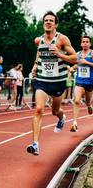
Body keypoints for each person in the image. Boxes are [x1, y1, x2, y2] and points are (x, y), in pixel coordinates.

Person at [26, 11, 77, 155]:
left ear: (55, 24)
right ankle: (35, 144)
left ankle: (61, 118)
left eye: (51, 20)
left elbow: (75, 58)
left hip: (58, 81)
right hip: (43, 80)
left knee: (55, 111)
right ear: (43, 23)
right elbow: (39, 52)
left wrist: (60, 54)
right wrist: (36, 65)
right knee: (39, 110)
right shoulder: (38, 40)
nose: (48, 22)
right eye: (46, 20)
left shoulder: (62, 39)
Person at [70, 35, 93, 132]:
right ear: (81, 44)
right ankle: (74, 123)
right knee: (76, 100)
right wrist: (72, 68)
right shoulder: (78, 54)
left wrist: (87, 63)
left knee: (88, 101)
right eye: (83, 42)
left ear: (90, 44)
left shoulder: (92, 53)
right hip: (79, 81)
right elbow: (77, 64)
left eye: (87, 42)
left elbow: (85, 63)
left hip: (90, 82)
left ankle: (89, 106)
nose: (85, 43)